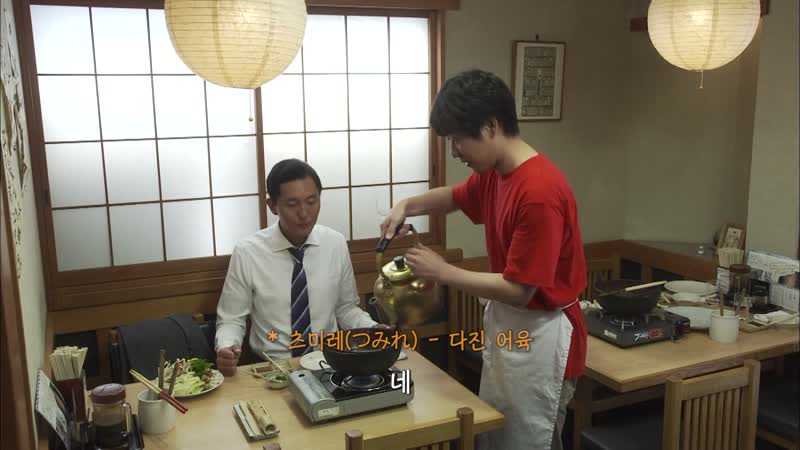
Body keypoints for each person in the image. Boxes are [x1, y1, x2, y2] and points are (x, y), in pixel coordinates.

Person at [381, 69, 587, 450]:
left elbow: (520, 289)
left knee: (529, 441)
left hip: (543, 334)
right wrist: (406, 205)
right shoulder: (496, 172)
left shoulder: (539, 192)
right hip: (513, 326)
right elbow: (454, 198)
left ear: (491, 126)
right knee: (496, 435)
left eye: (458, 139)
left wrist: (443, 271)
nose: (454, 151)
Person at [215, 159, 377, 375]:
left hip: (329, 363)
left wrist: (373, 329)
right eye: (292, 204)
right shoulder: (248, 252)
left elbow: (346, 309)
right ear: (272, 206)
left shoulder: (335, 243)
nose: (304, 213)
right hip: (271, 369)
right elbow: (231, 318)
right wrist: (227, 347)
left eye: (312, 201)